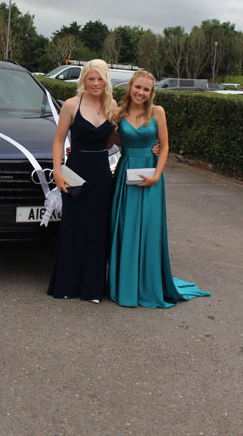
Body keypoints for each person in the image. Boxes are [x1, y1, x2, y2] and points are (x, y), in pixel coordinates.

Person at [109, 70, 211, 308]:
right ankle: (125, 285)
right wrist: (76, 148)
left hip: (151, 176)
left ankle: (148, 284)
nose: (141, 92)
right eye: (138, 87)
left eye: (146, 89)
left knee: (148, 229)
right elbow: (109, 142)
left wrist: (156, 174)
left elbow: (164, 147)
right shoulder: (118, 114)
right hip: (125, 175)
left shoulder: (157, 112)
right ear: (130, 87)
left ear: (151, 92)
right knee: (125, 228)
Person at [47, 60, 118, 303]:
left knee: (98, 229)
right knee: (73, 227)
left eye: (100, 79)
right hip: (75, 171)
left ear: (106, 81)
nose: (96, 83)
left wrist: (152, 146)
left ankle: (92, 288)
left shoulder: (112, 105)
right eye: (91, 78)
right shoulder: (71, 104)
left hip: (101, 173)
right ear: (84, 80)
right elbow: (59, 141)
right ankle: (66, 284)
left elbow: (113, 140)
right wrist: (57, 171)